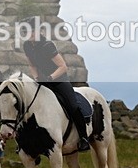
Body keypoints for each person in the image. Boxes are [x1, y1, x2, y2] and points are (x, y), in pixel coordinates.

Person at [21, 18, 90, 152]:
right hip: (42, 80)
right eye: (27, 31)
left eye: (32, 30)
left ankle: (84, 138)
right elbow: (32, 65)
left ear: (39, 30)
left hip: (59, 80)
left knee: (72, 105)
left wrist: (50, 77)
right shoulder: (27, 46)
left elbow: (63, 67)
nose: (30, 33)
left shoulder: (47, 46)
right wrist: (36, 78)